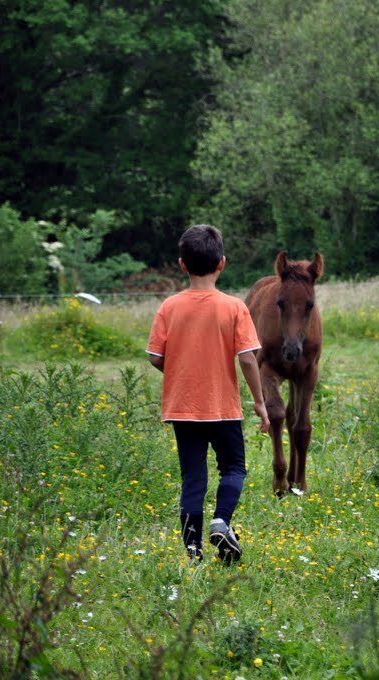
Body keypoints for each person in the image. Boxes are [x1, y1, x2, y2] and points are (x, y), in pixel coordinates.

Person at [146, 224, 270, 563]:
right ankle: (221, 521)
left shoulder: (169, 307)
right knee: (233, 467)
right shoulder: (233, 307)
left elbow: (156, 356)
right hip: (224, 407)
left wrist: (180, 374)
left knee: (193, 477)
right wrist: (259, 402)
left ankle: (192, 552)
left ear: (182, 265)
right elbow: (247, 358)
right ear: (222, 263)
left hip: (182, 408)